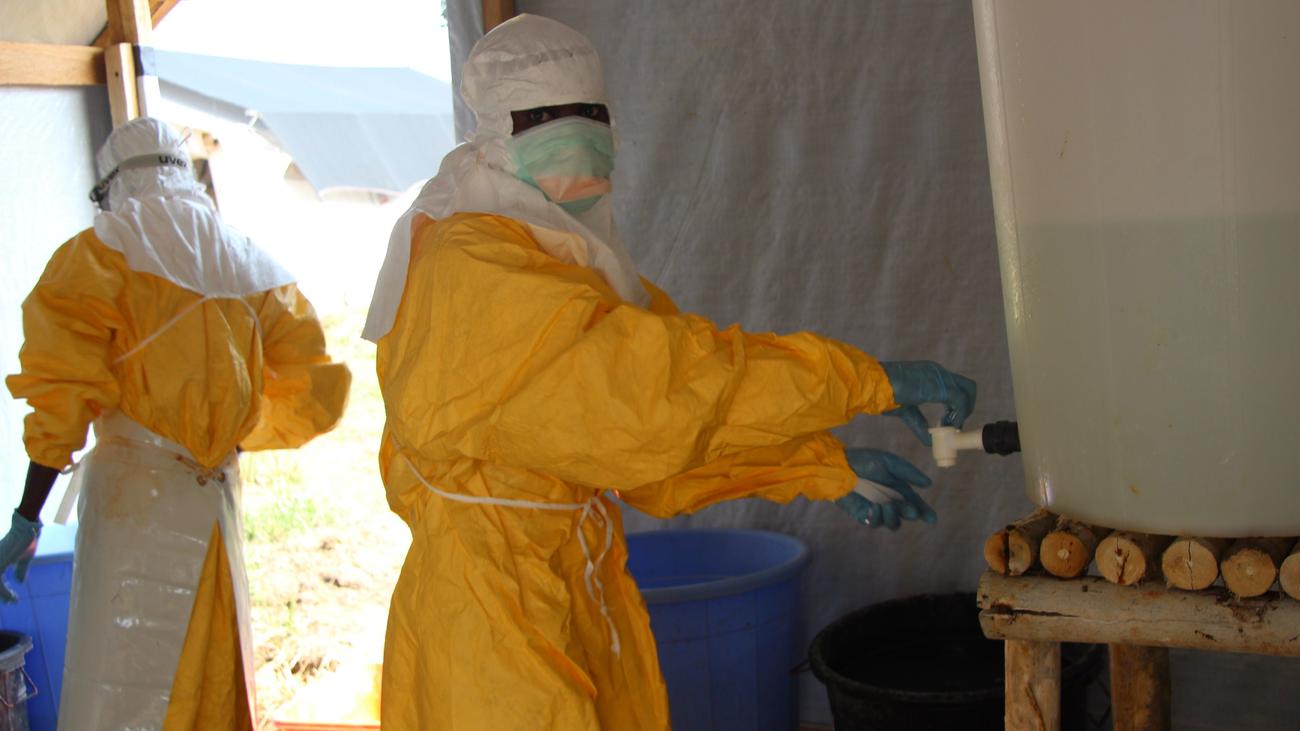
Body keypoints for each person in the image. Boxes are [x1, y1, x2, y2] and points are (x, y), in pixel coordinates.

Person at [362, 14, 975, 730]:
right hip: (488, 622)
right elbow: (654, 395)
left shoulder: (567, 260)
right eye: (548, 118)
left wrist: (819, 464)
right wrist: (865, 381)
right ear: (496, 133)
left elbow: (663, 443)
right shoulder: (470, 267)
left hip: (573, 589)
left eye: (593, 113)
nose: (582, 133)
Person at [1, 117, 351, 730]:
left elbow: (61, 396)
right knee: (209, 660)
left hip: (134, 502)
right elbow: (314, 386)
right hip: (212, 496)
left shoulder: (99, 257)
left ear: (114, 183)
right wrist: (220, 439)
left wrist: (29, 516)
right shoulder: (249, 263)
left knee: (125, 675)